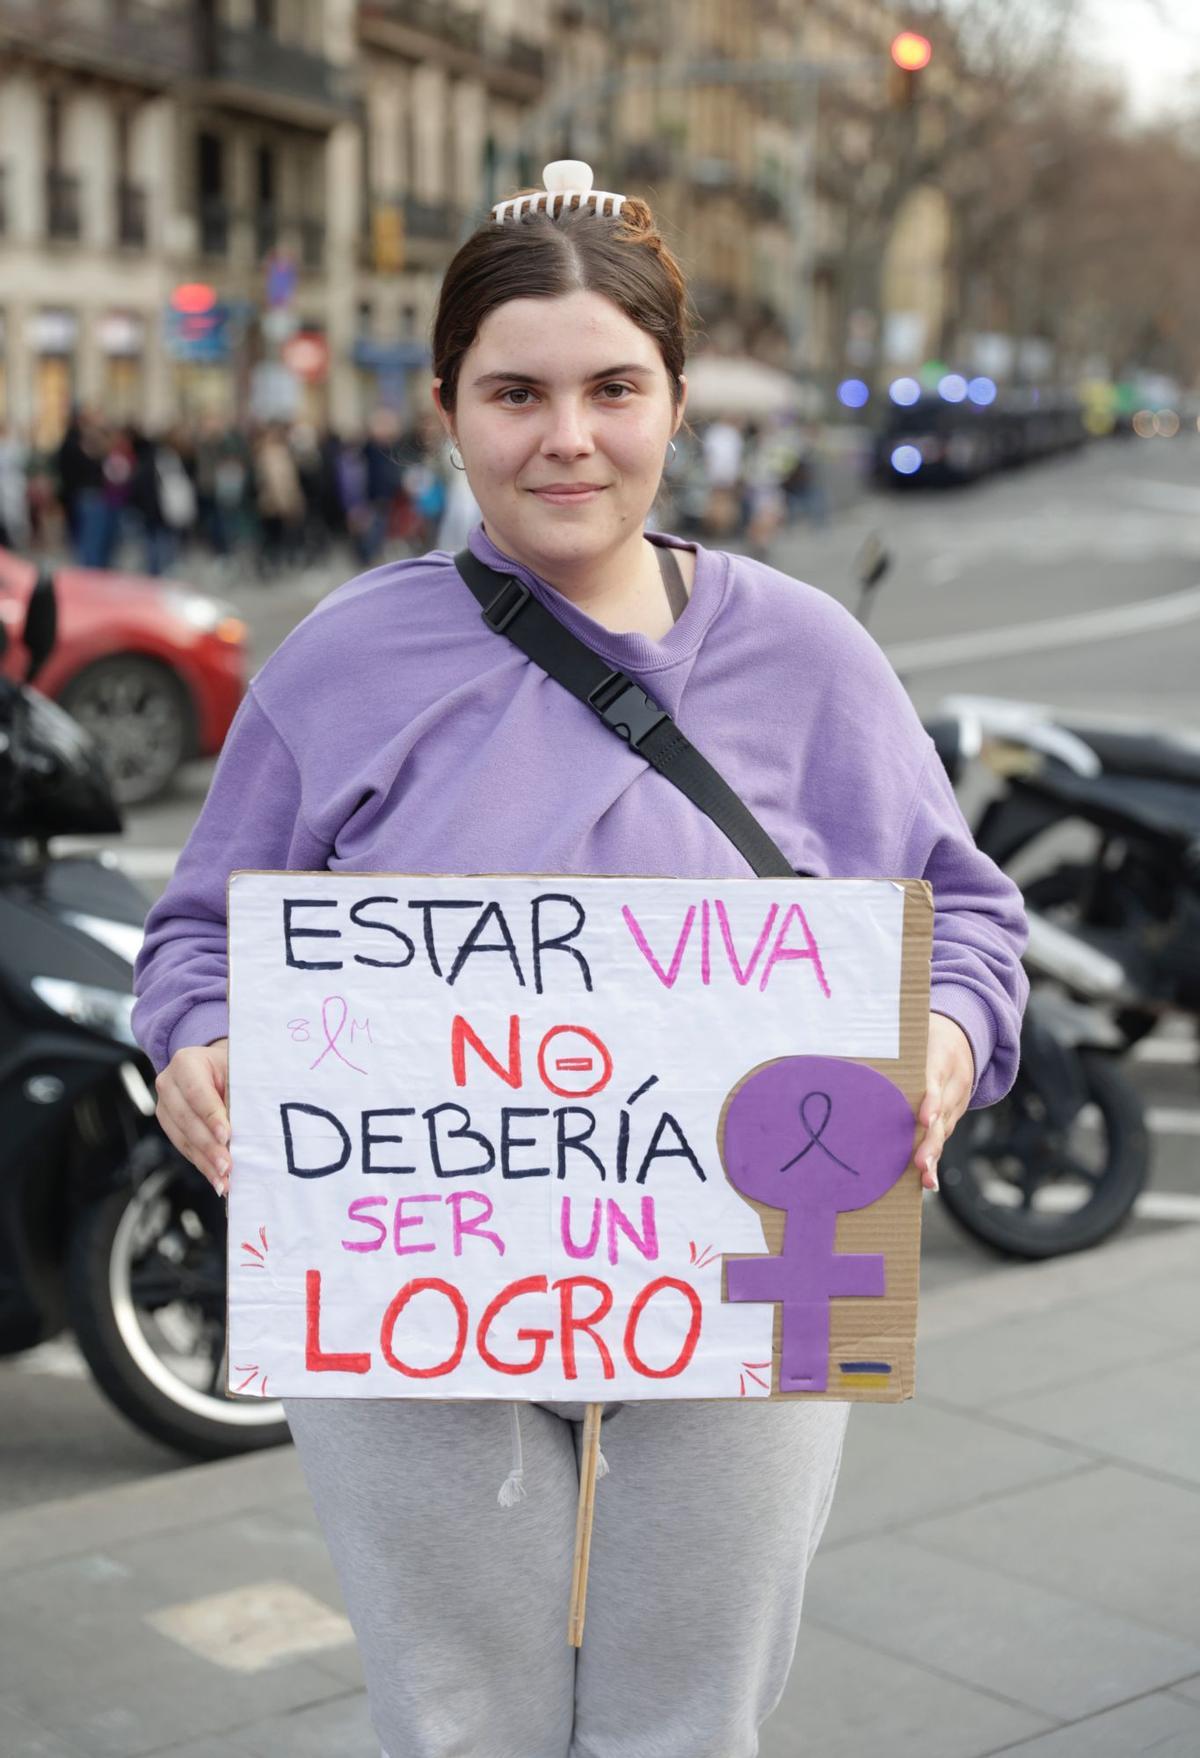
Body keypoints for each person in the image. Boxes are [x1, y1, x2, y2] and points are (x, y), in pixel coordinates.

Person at [132, 163, 1028, 1758]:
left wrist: (945, 1042)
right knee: (454, 1711)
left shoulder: (812, 653)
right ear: (446, 408)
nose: (568, 436)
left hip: (762, 1253)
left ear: (676, 399)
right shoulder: (343, 657)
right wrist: (194, 1035)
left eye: (615, 387)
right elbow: (201, 926)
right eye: (516, 392)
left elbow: (965, 914)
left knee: (690, 1712)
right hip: (405, 1268)